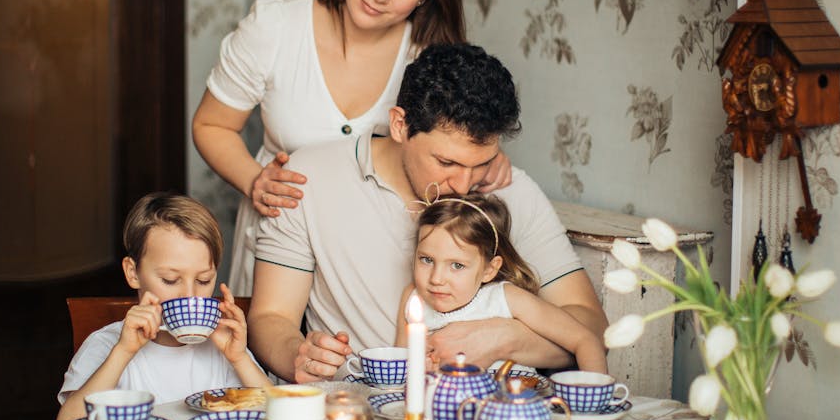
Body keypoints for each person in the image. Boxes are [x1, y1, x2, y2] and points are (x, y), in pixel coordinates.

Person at [191, 0, 510, 297]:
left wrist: (487, 159)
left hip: (375, 262)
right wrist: (255, 181)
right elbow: (210, 124)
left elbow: (458, 137)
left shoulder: (428, 56)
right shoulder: (275, 28)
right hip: (280, 245)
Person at [247, 43, 608, 383]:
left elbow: (589, 327)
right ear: (400, 125)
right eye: (446, 162)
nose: (465, 185)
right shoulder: (307, 176)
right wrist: (298, 353)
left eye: (481, 163)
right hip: (360, 405)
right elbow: (270, 317)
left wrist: (506, 338)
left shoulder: (511, 189)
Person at [53, 193, 269, 420]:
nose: (190, 295)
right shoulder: (107, 344)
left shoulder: (225, 351)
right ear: (133, 273)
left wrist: (240, 359)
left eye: (203, 280)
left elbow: (283, 416)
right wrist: (123, 352)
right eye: (170, 279)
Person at [394, 194, 608, 375]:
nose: (436, 278)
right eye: (427, 260)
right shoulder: (413, 298)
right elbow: (401, 367)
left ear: (489, 269)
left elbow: (585, 340)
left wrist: (593, 401)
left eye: (457, 265)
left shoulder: (507, 299)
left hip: (513, 413)